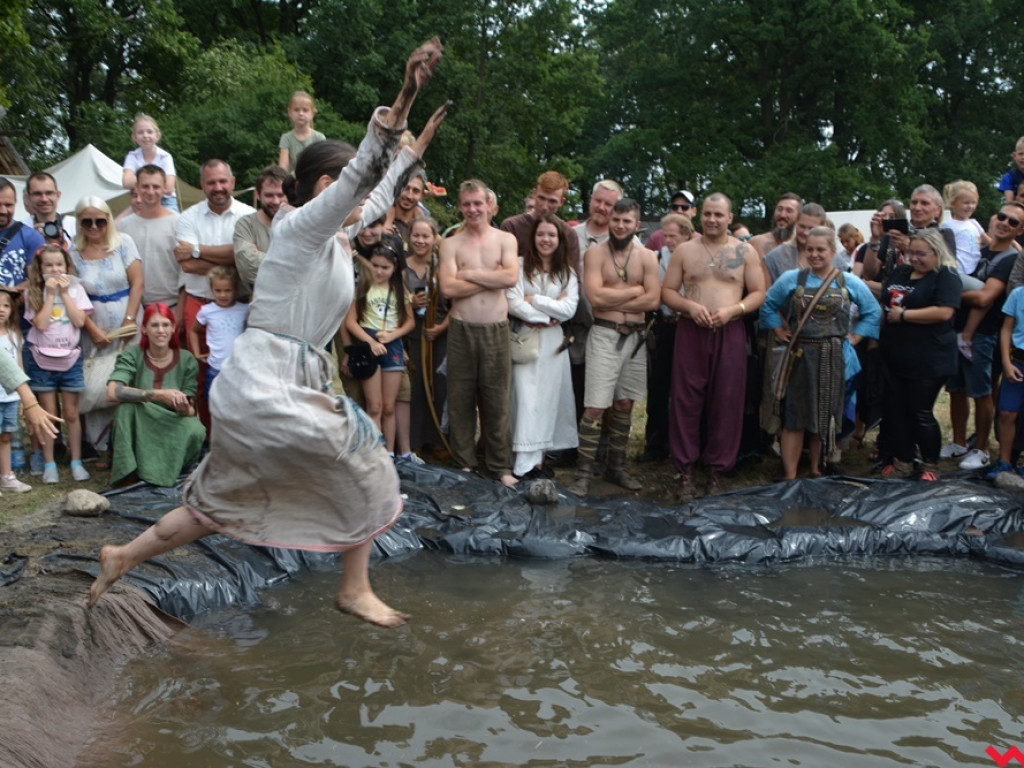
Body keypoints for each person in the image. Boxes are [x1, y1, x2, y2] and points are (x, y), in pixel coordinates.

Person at [89, 37, 447, 629]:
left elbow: (376, 191)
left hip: (275, 384)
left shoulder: (333, 237)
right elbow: (364, 178)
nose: (356, 197)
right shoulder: (301, 227)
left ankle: (120, 556)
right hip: (267, 381)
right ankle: (354, 587)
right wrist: (403, 97)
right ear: (317, 186)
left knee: (213, 505)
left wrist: (417, 147)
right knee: (368, 455)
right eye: (339, 184)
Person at [662, 192, 766, 500]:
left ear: (730, 218)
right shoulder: (684, 250)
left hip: (730, 329)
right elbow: (667, 291)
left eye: (719, 215)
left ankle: (718, 470)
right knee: (685, 398)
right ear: (699, 215)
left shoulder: (744, 251)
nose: (712, 219)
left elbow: (759, 292)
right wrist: (689, 307)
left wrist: (734, 311)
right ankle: (684, 471)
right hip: (690, 330)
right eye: (707, 213)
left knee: (727, 398)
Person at [761, 227, 880, 480]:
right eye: (810, 249)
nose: (814, 255)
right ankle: (790, 474)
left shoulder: (849, 281)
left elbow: (873, 311)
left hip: (833, 357)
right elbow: (768, 304)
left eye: (821, 250)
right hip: (800, 356)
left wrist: (856, 336)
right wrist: (779, 330)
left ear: (833, 251)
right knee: (794, 415)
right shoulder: (792, 279)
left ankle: (817, 469)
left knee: (825, 415)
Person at [568, 198, 659, 494]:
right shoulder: (594, 254)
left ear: (637, 224)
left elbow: (653, 300)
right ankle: (583, 471)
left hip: (634, 336)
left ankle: (615, 467)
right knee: (595, 405)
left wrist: (616, 295)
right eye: (616, 220)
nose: (620, 226)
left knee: (625, 403)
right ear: (610, 221)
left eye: (627, 221)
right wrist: (636, 291)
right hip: (604, 334)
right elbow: (595, 298)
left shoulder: (646, 256)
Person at [439, 179, 520, 487]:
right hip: (461, 329)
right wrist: (493, 278)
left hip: (496, 329)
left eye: (478, 203)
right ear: (460, 207)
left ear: (489, 205)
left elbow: (511, 277)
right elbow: (448, 288)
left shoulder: (505, 240)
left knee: (497, 399)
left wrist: (469, 273)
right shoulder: (450, 244)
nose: (473, 209)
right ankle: (464, 463)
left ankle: (500, 465)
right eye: (467, 204)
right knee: (460, 398)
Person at [174, 158, 255, 428]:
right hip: (199, 304)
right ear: (202, 185)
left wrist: (199, 251)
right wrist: (233, 256)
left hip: (239, 305)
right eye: (211, 182)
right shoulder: (188, 217)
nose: (218, 187)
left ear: (232, 182)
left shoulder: (247, 215)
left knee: (243, 374)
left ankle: (240, 434)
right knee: (200, 374)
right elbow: (187, 265)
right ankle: (208, 435)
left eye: (222, 181)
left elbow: (242, 258)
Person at [944, 202, 1024, 469]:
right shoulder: (979, 252)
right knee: (955, 389)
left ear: (1019, 230)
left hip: (985, 333)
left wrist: (946, 295)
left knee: (982, 392)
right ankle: (958, 442)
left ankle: (980, 448)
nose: (1005, 223)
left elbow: (985, 297)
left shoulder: (1010, 258)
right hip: (960, 329)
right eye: (1002, 216)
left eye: (1013, 222)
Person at [877, 229, 961, 481]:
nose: (914, 258)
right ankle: (902, 459)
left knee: (920, 411)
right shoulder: (901, 271)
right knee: (897, 410)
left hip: (929, 357)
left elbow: (945, 312)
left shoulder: (946, 275)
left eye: (921, 254)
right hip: (895, 352)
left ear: (937, 253)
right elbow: (886, 299)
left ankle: (930, 464)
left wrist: (904, 316)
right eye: (911, 252)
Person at [69, 197, 144, 467]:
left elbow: (137, 283)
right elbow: (73, 294)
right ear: (79, 223)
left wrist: (129, 319)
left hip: (127, 317)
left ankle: (129, 443)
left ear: (108, 220)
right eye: (86, 221)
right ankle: (102, 447)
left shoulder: (123, 242)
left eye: (99, 220)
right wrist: (91, 328)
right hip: (93, 323)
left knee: (127, 378)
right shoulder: (74, 252)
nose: (93, 226)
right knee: (97, 381)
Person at [507, 214, 579, 479]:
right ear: (533, 237)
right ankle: (523, 464)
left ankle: (539, 461)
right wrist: (544, 315)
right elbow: (513, 302)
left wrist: (535, 299)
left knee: (548, 400)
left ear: (559, 240)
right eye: (541, 234)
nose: (545, 240)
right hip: (526, 338)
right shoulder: (519, 265)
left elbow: (570, 308)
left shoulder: (566, 272)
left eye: (551, 235)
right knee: (525, 400)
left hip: (553, 344)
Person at [107, 302, 206, 487]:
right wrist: (159, 395)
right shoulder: (132, 354)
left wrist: (183, 407)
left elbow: (192, 411)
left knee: (196, 429)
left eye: (166, 325)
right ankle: (129, 476)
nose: (161, 330)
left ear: (173, 328)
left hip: (171, 418)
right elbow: (113, 392)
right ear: (144, 329)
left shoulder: (187, 359)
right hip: (141, 415)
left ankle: (169, 474)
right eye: (154, 325)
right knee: (125, 409)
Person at [23, 244, 93, 484]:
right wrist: (50, 294)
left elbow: (79, 320)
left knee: (72, 413)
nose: (55, 270)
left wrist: (64, 293)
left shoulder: (76, 290)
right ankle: (50, 462)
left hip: (70, 358)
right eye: (49, 265)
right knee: (50, 414)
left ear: (67, 266)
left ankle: (76, 461)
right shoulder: (32, 292)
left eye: (59, 265)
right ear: (40, 269)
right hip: (42, 360)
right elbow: (40, 324)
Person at [345, 236, 415, 453]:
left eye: (385, 267)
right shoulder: (361, 287)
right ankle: (375, 453)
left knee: (388, 406)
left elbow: (410, 321)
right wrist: (370, 341)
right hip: (368, 343)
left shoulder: (400, 290)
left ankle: (390, 454)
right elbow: (350, 321)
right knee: (373, 405)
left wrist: (394, 336)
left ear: (394, 268)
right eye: (375, 266)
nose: (379, 271)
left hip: (391, 344)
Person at [640, 212, 694, 463]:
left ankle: (685, 443)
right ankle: (655, 444)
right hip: (666, 326)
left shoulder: (696, 257)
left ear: (687, 235)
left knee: (687, 388)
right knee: (659, 386)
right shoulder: (658, 257)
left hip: (690, 326)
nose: (668, 241)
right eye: (666, 236)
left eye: (673, 236)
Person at [403, 217, 449, 455]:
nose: (420, 241)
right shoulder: (401, 266)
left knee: (441, 385)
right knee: (417, 386)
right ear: (409, 237)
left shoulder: (443, 266)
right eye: (416, 235)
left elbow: (457, 304)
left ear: (434, 238)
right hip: (414, 333)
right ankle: (417, 438)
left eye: (425, 236)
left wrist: (441, 327)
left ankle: (439, 437)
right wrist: (409, 302)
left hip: (441, 332)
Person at [118, 164, 180, 310]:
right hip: (135, 307)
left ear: (165, 188)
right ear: (137, 188)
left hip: (171, 307)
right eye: (145, 186)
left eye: (156, 186)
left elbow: (186, 273)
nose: (151, 191)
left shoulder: (179, 223)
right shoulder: (123, 227)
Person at [188, 266, 248, 404]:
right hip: (215, 368)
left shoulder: (244, 309)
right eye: (218, 291)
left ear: (235, 289)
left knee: (237, 404)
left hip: (238, 369)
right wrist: (196, 352)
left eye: (228, 290)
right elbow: (193, 330)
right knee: (214, 404)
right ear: (211, 289)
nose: (223, 295)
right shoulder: (207, 311)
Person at [233, 165, 289, 296]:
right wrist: (293, 266)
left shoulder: (300, 222)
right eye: (269, 195)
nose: (276, 201)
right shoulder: (246, 225)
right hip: (259, 306)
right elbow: (248, 269)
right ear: (258, 194)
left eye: (281, 195)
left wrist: (261, 257)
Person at [987, 280, 1024, 478]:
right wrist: (1006, 362)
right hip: (1017, 362)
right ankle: (1004, 461)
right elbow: (1006, 329)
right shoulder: (1018, 294)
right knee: (1007, 413)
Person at [0, 288, 31, 492]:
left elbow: (18, 368)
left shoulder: (14, 336)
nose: (1, 310)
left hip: (9, 397)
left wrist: (22, 397)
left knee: (6, 436)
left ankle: (7, 476)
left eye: (6, 305)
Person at [121, 114, 179, 212]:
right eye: (140, 132)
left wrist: (141, 181)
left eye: (149, 132)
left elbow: (169, 188)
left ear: (157, 135)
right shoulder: (132, 156)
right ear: (134, 137)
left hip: (166, 201)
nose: (145, 135)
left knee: (174, 223)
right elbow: (126, 183)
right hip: (142, 200)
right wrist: (157, 181)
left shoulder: (165, 157)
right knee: (120, 223)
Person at [762, 202, 830, 284]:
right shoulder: (775, 257)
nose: (805, 232)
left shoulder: (835, 259)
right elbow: (768, 295)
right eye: (802, 226)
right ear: (796, 223)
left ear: (822, 228)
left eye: (811, 228)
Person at [0, 178, 44, 291]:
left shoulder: (32, 237)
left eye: (8, 205)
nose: (3, 210)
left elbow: (37, 280)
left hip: (16, 307)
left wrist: (9, 293)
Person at [940, 180, 989, 276]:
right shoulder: (948, 225)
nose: (970, 206)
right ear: (952, 203)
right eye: (966, 203)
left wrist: (1012, 242)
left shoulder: (974, 223)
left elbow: (990, 242)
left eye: (973, 203)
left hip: (975, 269)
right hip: (958, 271)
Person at [278, 91, 326, 173]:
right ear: (290, 112)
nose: (301, 113)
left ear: (312, 113)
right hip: (292, 181)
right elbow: (283, 168)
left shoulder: (319, 138)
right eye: (296, 110)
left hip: (313, 179)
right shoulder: (286, 138)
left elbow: (323, 163)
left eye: (305, 110)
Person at [749, 192, 802, 257]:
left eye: (789, 211)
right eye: (779, 209)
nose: (782, 215)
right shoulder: (756, 243)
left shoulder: (803, 247)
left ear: (799, 216)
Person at [998, 136, 1024, 202]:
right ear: (1014, 156)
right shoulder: (1009, 177)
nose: (1023, 157)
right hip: (1017, 210)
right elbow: (1010, 203)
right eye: (1020, 154)